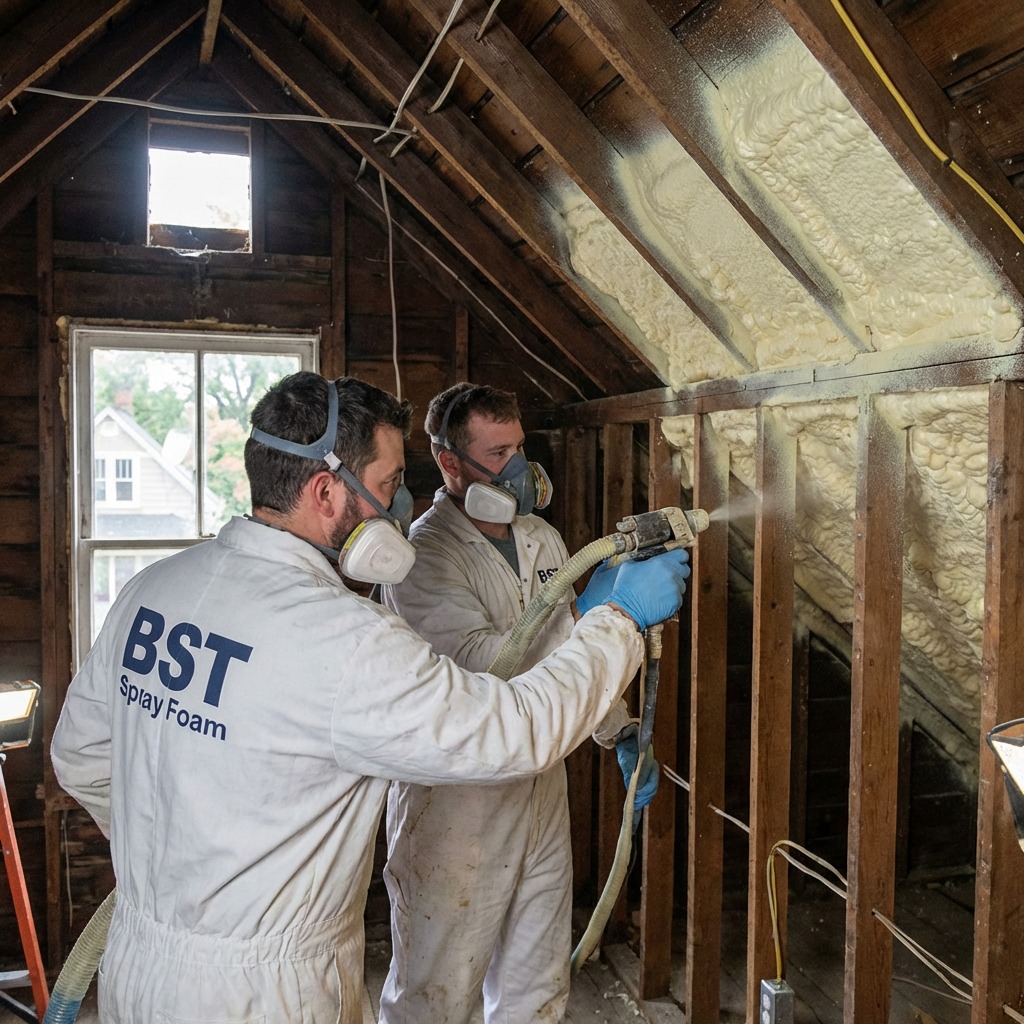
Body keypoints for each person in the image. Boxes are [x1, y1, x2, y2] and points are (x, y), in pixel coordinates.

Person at [50, 371, 691, 1024]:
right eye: (386, 488)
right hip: (268, 994)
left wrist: (179, 876)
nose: (394, 510)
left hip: (138, 962)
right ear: (327, 490)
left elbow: (79, 755)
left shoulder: (152, 590)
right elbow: (507, 732)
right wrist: (617, 620)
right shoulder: (344, 639)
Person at [378, 382, 678, 1024]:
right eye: (498, 452)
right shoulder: (422, 556)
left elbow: (568, 646)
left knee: (536, 986)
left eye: (520, 447)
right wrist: (603, 621)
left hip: (542, 790)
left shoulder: (541, 537)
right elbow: (488, 669)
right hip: (456, 806)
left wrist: (618, 729)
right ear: (450, 462)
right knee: (436, 994)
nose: (517, 468)